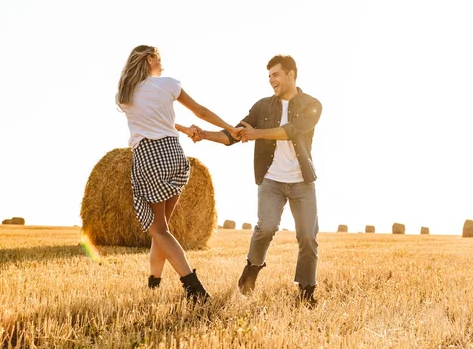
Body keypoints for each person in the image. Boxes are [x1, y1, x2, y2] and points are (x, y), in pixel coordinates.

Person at [190, 55, 322, 307]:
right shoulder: (262, 106)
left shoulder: (311, 104)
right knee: (266, 227)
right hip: (271, 178)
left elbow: (292, 130)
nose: (271, 80)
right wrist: (204, 134)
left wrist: (257, 134)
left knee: (307, 236)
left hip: (302, 181)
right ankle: (252, 267)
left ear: (291, 74)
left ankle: (306, 291)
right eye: (269, 76)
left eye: (276, 74)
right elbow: (234, 134)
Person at [116, 45, 242, 302]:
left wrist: (183, 128)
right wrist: (230, 127)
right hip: (173, 154)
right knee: (163, 229)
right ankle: (154, 282)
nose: (163, 65)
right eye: (160, 60)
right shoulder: (169, 85)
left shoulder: (124, 94)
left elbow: (151, 118)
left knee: (159, 229)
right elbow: (200, 112)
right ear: (150, 59)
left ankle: (194, 289)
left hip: (149, 157)